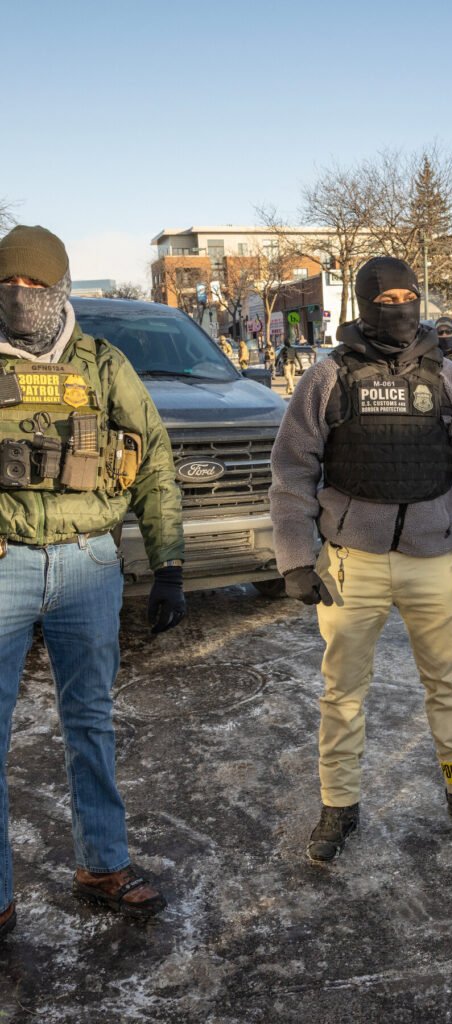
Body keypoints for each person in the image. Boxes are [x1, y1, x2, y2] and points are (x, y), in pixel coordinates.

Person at [269, 256, 452, 863]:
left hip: (434, 558)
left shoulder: (448, 376)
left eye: (408, 297)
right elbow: (292, 471)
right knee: (343, 692)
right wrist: (295, 558)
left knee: (449, 683)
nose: (400, 308)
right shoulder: (327, 377)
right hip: (353, 562)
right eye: (386, 300)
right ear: (364, 305)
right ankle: (338, 804)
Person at [0, 226, 186, 935]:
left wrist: (168, 564)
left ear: (61, 288)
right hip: (5, 562)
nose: (20, 296)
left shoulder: (102, 364)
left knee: (91, 722)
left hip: (88, 563)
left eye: (34, 285)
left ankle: (103, 864)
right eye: (8, 284)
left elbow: (155, 459)